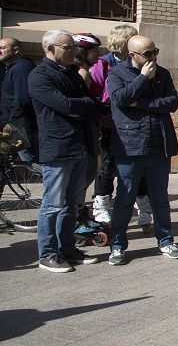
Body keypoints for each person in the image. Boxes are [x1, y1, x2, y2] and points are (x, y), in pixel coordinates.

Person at [106, 36, 178, 265]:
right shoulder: (117, 73)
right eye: (148, 54)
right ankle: (118, 245)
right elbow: (119, 99)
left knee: (160, 198)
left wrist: (141, 104)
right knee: (124, 197)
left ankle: (165, 240)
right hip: (130, 146)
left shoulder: (162, 73)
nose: (154, 57)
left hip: (158, 144)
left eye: (155, 52)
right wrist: (142, 79)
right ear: (132, 55)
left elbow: (172, 102)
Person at [28, 30, 101, 272]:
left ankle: (67, 249)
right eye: (67, 48)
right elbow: (66, 105)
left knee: (72, 205)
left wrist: (82, 106)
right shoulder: (39, 76)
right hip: (57, 149)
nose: (74, 52)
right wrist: (82, 105)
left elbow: (90, 104)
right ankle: (47, 254)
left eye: (73, 48)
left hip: (79, 146)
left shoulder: (72, 74)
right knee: (52, 205)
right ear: (50, 49)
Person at [89, 24, 150, 227]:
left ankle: (143, 207)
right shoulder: (102, 66)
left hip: (135, 124)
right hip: (110, 125)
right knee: (107, 167)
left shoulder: (142, 64)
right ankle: (101, 207)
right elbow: (95, 93)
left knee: (139, 168)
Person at [70, 33, 104, 223]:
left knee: (86, 176)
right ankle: (78, 217)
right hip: (84, 130)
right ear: (83, 52)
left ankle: (79, 214)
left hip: (89, 128)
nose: (98, 55)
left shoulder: (83, 70)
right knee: (84, 177)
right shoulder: (81, 73)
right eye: (94, 51)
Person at [0, 37, 37, 161]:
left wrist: (13, 122)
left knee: (30, 160)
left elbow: (22, 98)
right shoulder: (11, 68)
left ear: (16, 50)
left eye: (3, 48)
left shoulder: (20, 68)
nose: (0, 51)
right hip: (15, 123)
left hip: (19, 125)